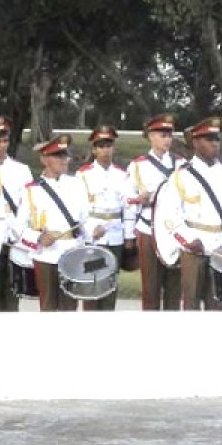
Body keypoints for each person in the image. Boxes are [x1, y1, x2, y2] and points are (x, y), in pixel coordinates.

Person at [154, 117, 222, 310]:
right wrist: (188, 240)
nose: (214, 144)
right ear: (195, 142)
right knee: (191, 302)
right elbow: (169, 215)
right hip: (194, 246)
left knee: (217, 302)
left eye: (216, 139)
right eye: (209, 139)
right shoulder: (181, 176)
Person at [12, 135, 90, 311]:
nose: (64, 160)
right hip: (45, 254)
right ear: (44, 159)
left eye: (65, 156)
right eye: (58, 156)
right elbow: (18, 227)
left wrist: (94, 231)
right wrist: (38, 237)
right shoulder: (31, 189)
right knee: (48, 305)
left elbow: (87, 218)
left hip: (72, 250)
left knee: (69, 305)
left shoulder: (77, 184)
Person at [125, 114, 184, 310]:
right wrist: (129, 236)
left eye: (169, 134)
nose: (167, 139)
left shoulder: (180, 164)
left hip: (173, 230)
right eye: (162, 134)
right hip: (148, 229)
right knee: (150, 286)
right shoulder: (138, 165)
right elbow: (128, 200)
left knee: (174, 287)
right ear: (151, 136)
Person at [75, 125, 134, 310]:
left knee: (110, 283)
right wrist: (92, 229)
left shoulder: (122, 174)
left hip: (115, 234)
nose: (105, 150)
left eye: (108, 146)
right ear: (94, 149)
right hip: (93, 235)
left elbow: (128, 207)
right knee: (92, 282)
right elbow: (80, 207)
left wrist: (129, 236)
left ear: (113, 148)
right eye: (100, 146)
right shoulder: (83, 174)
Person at [0, 115, 33, 311]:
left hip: (13, 233)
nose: (2, 145)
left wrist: (21, 231)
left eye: (5, 141)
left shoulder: (22, 170)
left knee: (12, 289)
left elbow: (28, 204)